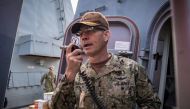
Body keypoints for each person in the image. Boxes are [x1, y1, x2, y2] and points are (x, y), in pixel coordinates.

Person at [51, 12, 161, 109]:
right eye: (80, 33)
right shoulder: (76, 73)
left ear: (106, 35)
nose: (83, 37)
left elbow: (152, 104)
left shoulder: (132, 69)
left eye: (90, 30)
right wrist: (69, 74)